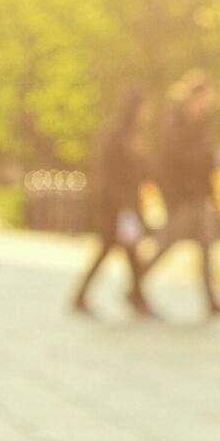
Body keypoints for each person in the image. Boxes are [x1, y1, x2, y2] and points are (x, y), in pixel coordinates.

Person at [146, 71, 220, 317]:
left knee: (206, 244)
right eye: (204, 99)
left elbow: (204, 162)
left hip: (198, 196)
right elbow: (171, 161)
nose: (207, 105)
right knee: (167, 243)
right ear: (193, 97)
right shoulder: (174, 122)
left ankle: (211, 299)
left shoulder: (202, 124)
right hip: (181, 196)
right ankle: (136, 284)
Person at [71, 89, 156, 318]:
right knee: (121, 250)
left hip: (126, 204)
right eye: (145, 107)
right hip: (116, 205)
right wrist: (122, 204)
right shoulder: (117, 134)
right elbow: (109, 172)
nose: (149, 112)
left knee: (124, 250)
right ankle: (136, 298)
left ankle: (134, 297)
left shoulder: (136, 134)